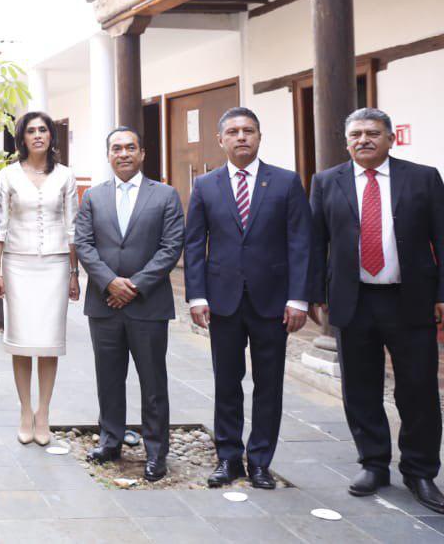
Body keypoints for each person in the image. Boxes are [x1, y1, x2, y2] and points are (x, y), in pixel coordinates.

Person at [309, 107, 444, 513]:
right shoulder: (326, 181)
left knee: (418, 387)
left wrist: (442, 293)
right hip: (354, 299)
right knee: (361, 387)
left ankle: (420, 470)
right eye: (355, 134)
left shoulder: (423, 178)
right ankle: (374, 463)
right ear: (346, 141)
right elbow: (316, 242)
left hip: (410, 298)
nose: (363, 140)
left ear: (390, 138)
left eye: (372, 133)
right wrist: (316, 294)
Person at [183, 107, 310, 490]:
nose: (242, 137)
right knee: (227, 381)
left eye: (249, 131)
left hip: (273, 301)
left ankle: (260, 461)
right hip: (222, 300)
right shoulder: (205, 186)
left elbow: (300, 243)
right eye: (234, 131)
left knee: (269, 384)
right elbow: (194, 245)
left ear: (259, 136)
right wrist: (196, 296)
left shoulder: (286, 183)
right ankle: (228, 457)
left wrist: (299, 299)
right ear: (221, 140)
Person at [73, 127, 183, 482]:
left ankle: (156, 451)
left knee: (153, 380)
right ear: (108, 155)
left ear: (142, 153)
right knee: (109, 377)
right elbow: (84, 244)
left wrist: (134, 285)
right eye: (116, 148)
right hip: (104, 303)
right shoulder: (93, 196)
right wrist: (109, 282)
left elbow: (171, 246)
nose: (123, 154)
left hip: (148, 304)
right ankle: (110, 440)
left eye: (130, 148)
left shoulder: (165, 195)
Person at [0, 111, 78, 446]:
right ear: (22, 138)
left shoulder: (66, 176)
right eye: (31, 131)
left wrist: (74, 272)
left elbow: (72, 228)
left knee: (49, 341)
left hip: (55, 264)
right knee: (22, 341)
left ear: (51, 137)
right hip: (18, 263)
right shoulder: (8, 175)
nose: (38, 135)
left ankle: (44, 412)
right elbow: (0, 226)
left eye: (43, 130)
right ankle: (25, 410)